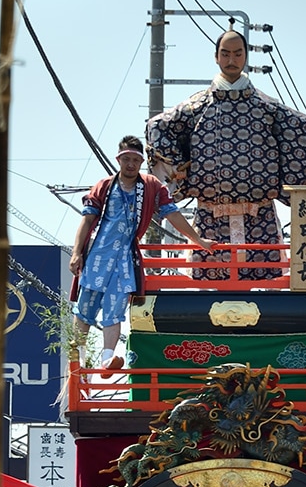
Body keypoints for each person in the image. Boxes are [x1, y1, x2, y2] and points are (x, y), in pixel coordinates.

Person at [146, 28, 306, 283]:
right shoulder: (195, 107)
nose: (231, 60)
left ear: (245, 57)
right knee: (207, 294)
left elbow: (302, 128)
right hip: (210, 217)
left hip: (260, 217)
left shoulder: (266, 106)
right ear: (216, 57)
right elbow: (157, 127)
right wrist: (179, 168)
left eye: (237, 54)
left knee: (269, 288)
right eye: (225, 54)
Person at [70, 135, 205, 369]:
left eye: (135, 160)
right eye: (126, 159)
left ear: (141, 161)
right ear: (118, 160)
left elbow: (172, 214)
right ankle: (78, 358)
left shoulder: (151, 186)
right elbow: (87, 218)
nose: (130, 164)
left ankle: (107, 358)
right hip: (98, 255)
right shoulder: (104, 186)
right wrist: (76, 252)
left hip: (125, 259)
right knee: (84, 309)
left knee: (115, 309)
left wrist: (198, 240)